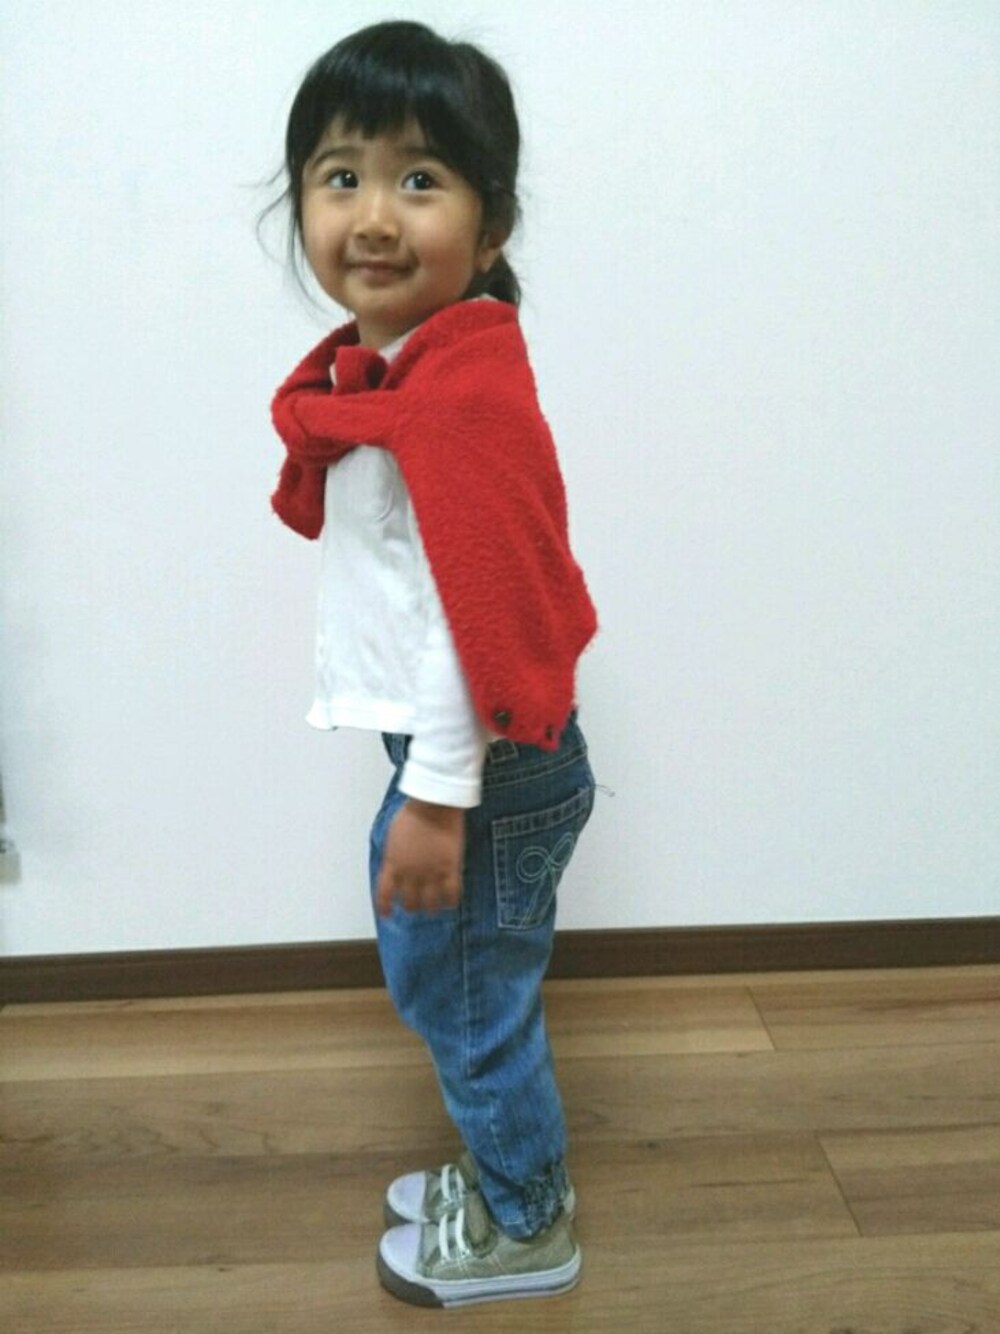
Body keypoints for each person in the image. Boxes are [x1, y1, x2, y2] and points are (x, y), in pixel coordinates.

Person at [267, 20, 598, 1309]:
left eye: (420, 178)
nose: (373, 215)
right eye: (340, 175)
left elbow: (480, 619)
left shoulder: (453, 402)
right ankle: (510, 1171)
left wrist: (438, 795)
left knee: (465, 994)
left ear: (492, 224)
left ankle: (526, 1220)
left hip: (482, 762)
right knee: (459, 978)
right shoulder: (415, 374)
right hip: (466, 753)